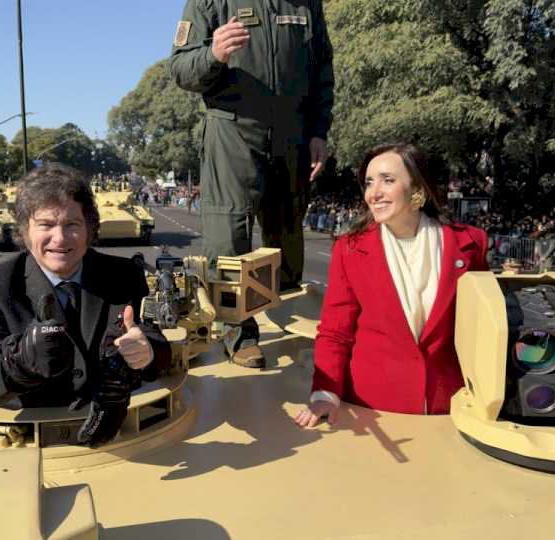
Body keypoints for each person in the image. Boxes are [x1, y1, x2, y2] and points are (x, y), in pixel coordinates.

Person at [170, 0, 334, 367]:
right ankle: (238, 334)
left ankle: (291, 319)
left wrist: (318, 130)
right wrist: (213, 53)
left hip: (294, 133)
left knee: (288, 231)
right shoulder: (209, 2)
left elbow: (323, 70)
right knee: (230, 234)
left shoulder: (308, 3)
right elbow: (180, 69)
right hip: (232, 128)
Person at [0, 165, 171, 444]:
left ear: (90, 229)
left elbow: (157, 340)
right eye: (45, 225)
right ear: (24, 231)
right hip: (25, 439)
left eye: (72, 225)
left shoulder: (123, 275)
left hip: (121, 431)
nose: (59, 238)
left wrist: (147, 352)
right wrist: (20, 361)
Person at [295, 143, 489, 426]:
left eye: (388, 180)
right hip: (371, 410)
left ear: (417, 187)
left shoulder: (471, 244)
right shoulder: (349, 250)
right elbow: (335, 331)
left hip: (448, 409)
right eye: (369, 182)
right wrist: (325, 393)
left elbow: (484, 331)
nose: (374, 193)